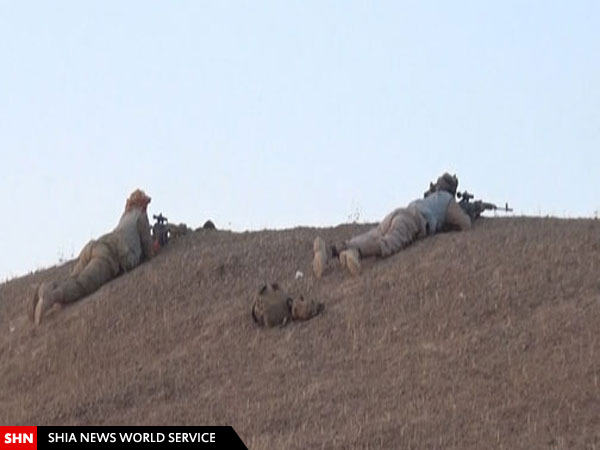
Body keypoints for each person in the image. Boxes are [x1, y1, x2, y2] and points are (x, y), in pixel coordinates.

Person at [30, 189, 154, 325]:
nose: (146, 207)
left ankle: (46, 287)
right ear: (141, 204)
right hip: (108, 254)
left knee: (73, 278)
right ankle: (51, 297)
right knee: (83, 285)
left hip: (94, 246)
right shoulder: (141, 216)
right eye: (145, 204)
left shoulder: (126, 215)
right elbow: (148, 251)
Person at [312, 173, 471, 278]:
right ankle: (355, 253)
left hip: (398, 213)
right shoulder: (447, 199)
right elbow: (465, 224)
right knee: (389, 243)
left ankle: (329, 251)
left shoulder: (430, 198)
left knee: (372, 235)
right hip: (413, 220)